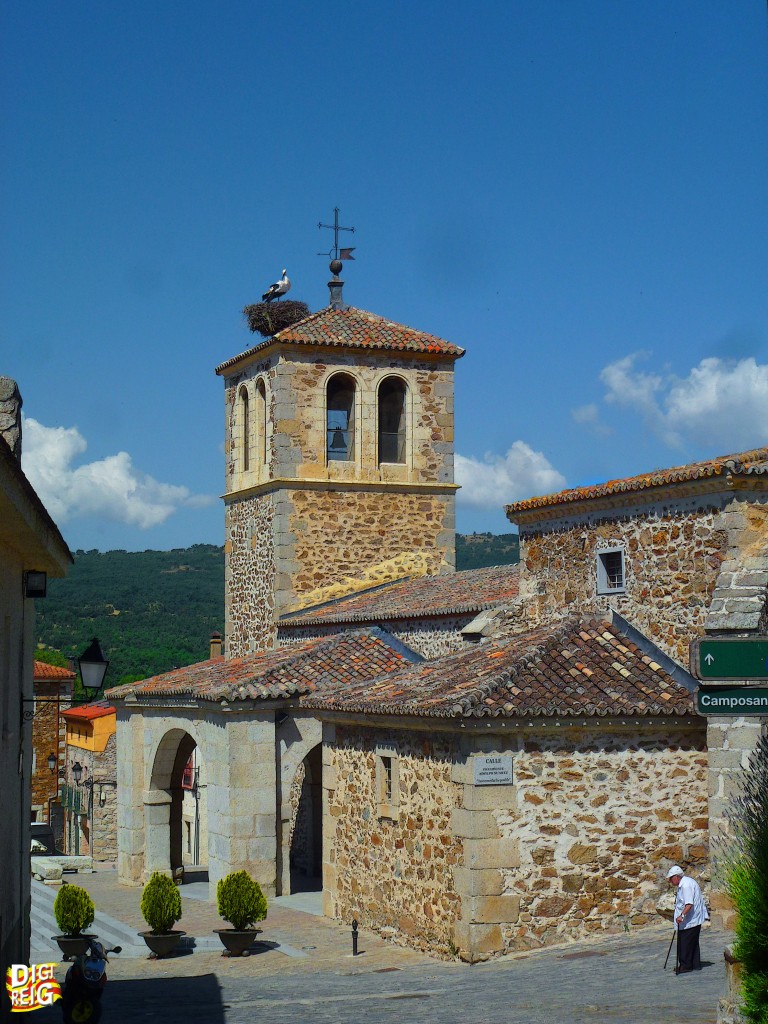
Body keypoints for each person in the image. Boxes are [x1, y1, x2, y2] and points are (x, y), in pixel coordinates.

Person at [667, 865, 709, 973]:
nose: (670, 881)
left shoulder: (686, 885)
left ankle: (685, 966)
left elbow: (689, 904)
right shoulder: (685, 883)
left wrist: (682, 916)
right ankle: (695, 964)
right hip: (692, 920)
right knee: (692, 942)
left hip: (691, 920)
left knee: (685, 943)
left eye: (671, 878)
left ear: (676, 876)